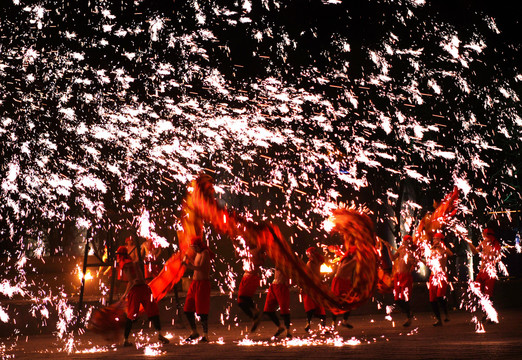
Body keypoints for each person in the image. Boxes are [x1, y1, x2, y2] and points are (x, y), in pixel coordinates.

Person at [116, 246, 169, 347]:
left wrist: (125, 294)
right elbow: (134, 279)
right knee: (147, 312)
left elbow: (132, 280)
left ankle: (126, 339)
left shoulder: (126, 264)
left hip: (139, 290)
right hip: (142, 289)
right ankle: (159, 334)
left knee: (134, 315)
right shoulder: (130, 262)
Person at [182, 235, 214, 342]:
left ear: (199, 246)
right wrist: (187, 260)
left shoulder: (205, 253)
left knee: (201, 310)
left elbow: (200, 268)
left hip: (203, 284)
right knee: (187, 308)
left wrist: (188, 266)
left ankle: (205, 334)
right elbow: (195, 265)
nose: (193, 249)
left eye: (194, 247)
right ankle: (194, 332)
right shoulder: (198, 253)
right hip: (194, 284)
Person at [468, 228, 502, 320]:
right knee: (479, 292)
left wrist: (492, 261)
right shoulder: (483, 243)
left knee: (488, 295)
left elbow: (499, 257)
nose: (482, 234)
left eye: (484, 233)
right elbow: (475, 251)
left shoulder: (495, 244)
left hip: (490, 272)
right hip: (482, 271)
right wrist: (469, 243)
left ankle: (490, 315)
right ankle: (485, 313)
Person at [237, 245, 266, 332]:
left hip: (252, 277)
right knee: (240, 302)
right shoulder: (248, 250)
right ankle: (254, 318)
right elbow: (238, 255)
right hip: (246, 277)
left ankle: (255, 311)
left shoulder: (257, 250)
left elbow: (262, 246)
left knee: (244, 296)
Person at [427, 232, 453, 326]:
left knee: (440, 296)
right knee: (432, 300)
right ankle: (438, 319)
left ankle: (446, 314)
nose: (433, 240)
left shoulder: (444, 249)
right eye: (433, 239)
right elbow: (428, 263)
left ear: (440, 240)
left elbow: (451, 253)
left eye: (436, 239)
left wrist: (442, 246)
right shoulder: (431, 250)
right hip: (433, 276)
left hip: (441, 276)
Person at [391, 235, 416, 327]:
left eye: (405, 241)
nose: (403, 242)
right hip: (398, 276)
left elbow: (415, 265)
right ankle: (409, 312)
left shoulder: (411, 252)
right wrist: (388, 249)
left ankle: (408, 316)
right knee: (397, 299)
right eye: (403, 240)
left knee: (405, 298)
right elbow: (392, 258)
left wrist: (412, 262)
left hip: (406, 277)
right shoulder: (401, 249)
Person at [262, 267, 292, 338]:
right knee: (268, 310)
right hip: (274, 286)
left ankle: (288, 331)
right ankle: (280, 327)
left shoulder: (286, 262)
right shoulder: (278, 259)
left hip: (282, 287)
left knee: (284, 309)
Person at [331, 246, 357, 329]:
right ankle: (333, 323)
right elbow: (343, 268)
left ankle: (344, 321)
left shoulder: (354, 260)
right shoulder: (347, 259)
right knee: (337, 302)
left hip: (346, 282)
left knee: (350, 301)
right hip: (339, 282)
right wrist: (354, 260)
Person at [303, 247, 327, 332]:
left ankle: (323, 326)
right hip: (311, 287)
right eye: (310, 254)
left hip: (317, 287)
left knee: (320, 307)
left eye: (312, 254)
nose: (311, 255)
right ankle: (308, 323)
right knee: (310, 307)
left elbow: (321, 260)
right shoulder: (310, 263)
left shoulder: (318, 262)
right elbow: (307, 275)